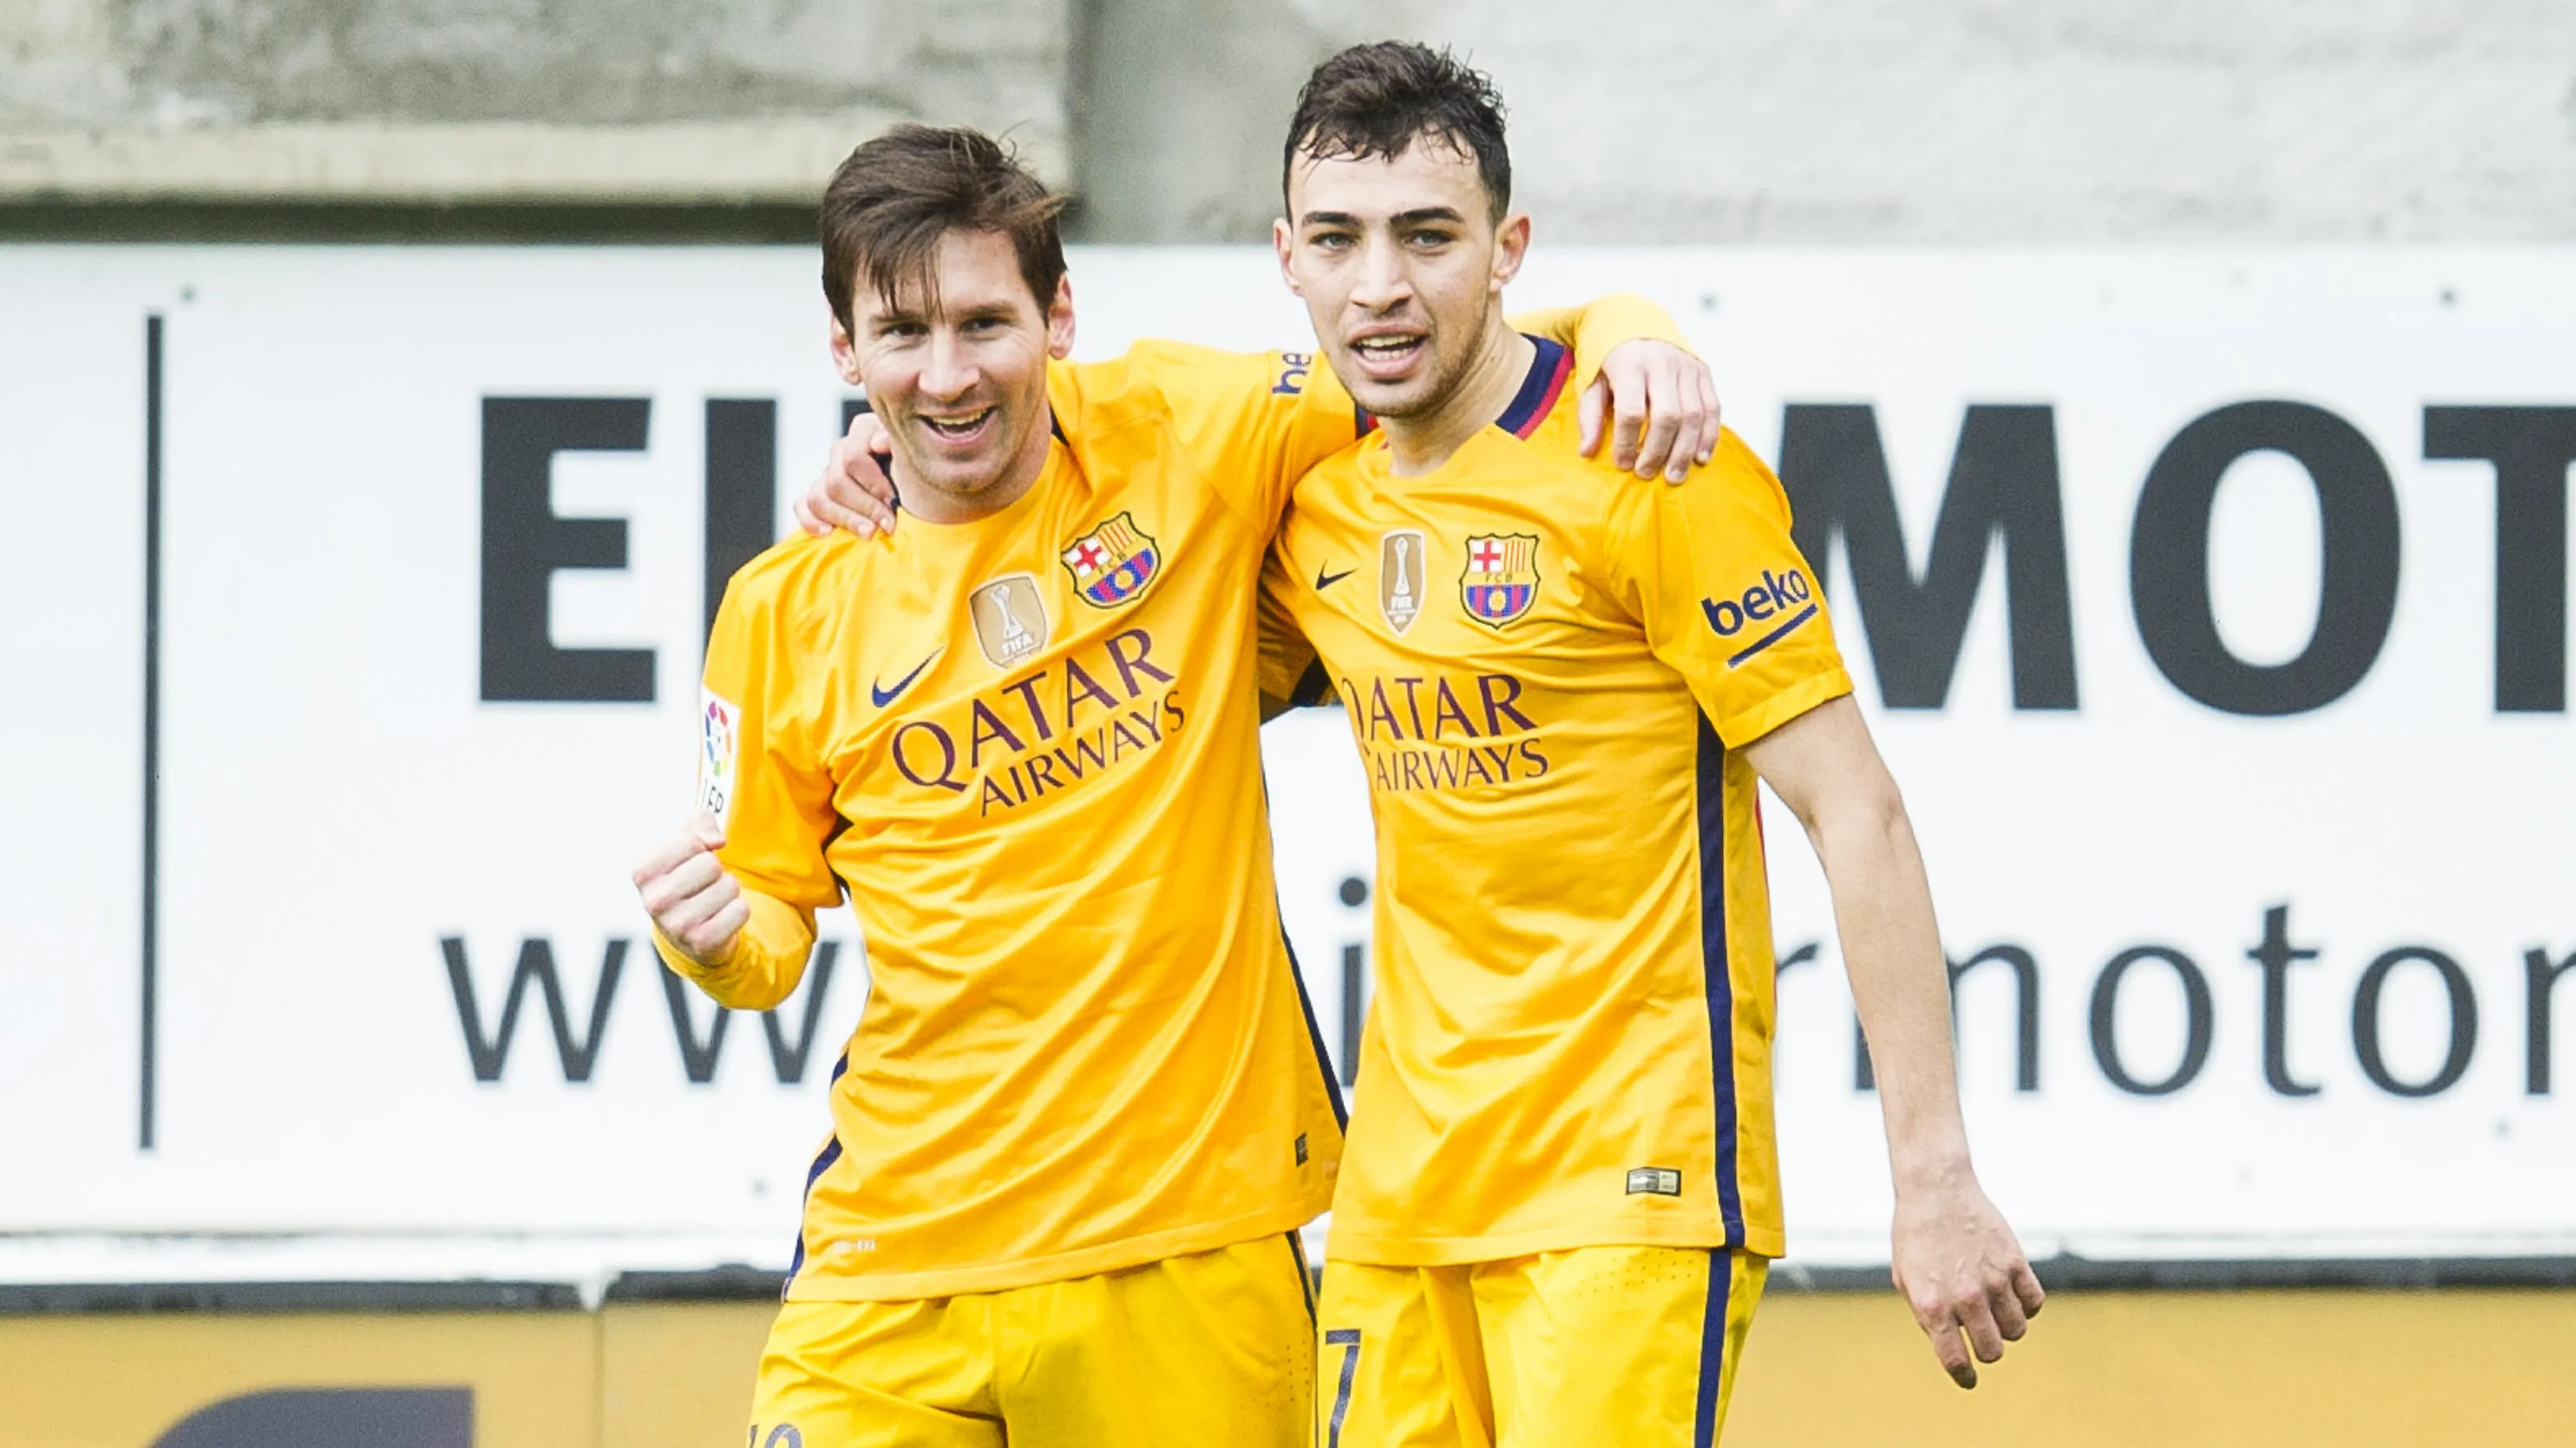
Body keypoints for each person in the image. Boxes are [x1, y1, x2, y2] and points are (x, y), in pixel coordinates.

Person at [632, 122, 1720, 1448]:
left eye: (986, 322)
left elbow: (1450, 354)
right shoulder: (779, 605)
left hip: (1188, 1252)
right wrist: (713, 937)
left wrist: (1627, 324)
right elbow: (769, 938)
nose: (950, 372)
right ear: (844, 353)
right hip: (887, 1267)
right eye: (902, 334)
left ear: (1061, 316)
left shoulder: (1189, 429)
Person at [1252, 43, 2048, 1446]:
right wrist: (874, 472)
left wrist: (1933, 1175)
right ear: (1289, 259)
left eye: (1428, 237)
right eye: (1340, 240)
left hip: (1628, 1181)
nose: (1381, 282)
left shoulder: (1653, 462)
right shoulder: (1314, 496)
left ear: (1508, 250)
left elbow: (1856, 811)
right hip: (1399, 1192)